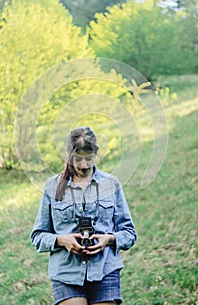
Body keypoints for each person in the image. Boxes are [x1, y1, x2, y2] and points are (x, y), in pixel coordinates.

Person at [31, 126, 137, 305]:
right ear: (68, 156)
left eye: (89, 158)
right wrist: (62, 240)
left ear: (96, 153)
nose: (84, 165)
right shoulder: (52, 187)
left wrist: (109, 239)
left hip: (105, 270)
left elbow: (129, 233)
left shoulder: (111, 184)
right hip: (66, 273)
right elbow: (38, 237)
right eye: (77, 159)